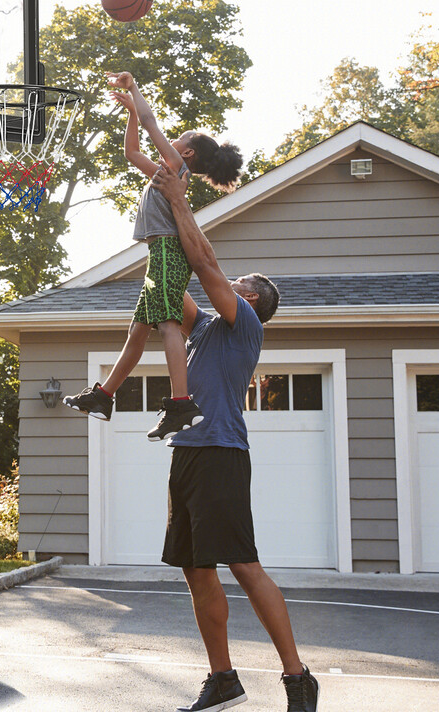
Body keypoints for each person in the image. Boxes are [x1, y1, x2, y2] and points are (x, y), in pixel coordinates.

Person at [148, 159, 320, 712]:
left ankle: (297, 678)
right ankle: (223, 677)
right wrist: (157, 214)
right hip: (187, 454)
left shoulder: (244, 324)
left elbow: (205, 261)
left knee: (243, 565)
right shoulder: (202, 328)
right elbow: (174, 280)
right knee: (196, 569)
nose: (232, 281)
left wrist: (180, 197)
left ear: (252, 303)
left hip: (222, 451)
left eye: (241, 284)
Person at [63, 71, 243, 440]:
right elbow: (131, 153)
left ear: (186, 152)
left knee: (167, 325)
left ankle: (181, 402)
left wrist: (134, 88)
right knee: (137, 333)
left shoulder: (176, 167)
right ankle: (103, 396)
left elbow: (150, 123)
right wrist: (130, 111)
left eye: (179, 139)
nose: (172, 140)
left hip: (167, 251)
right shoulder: (164, 173)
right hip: (158, 254)